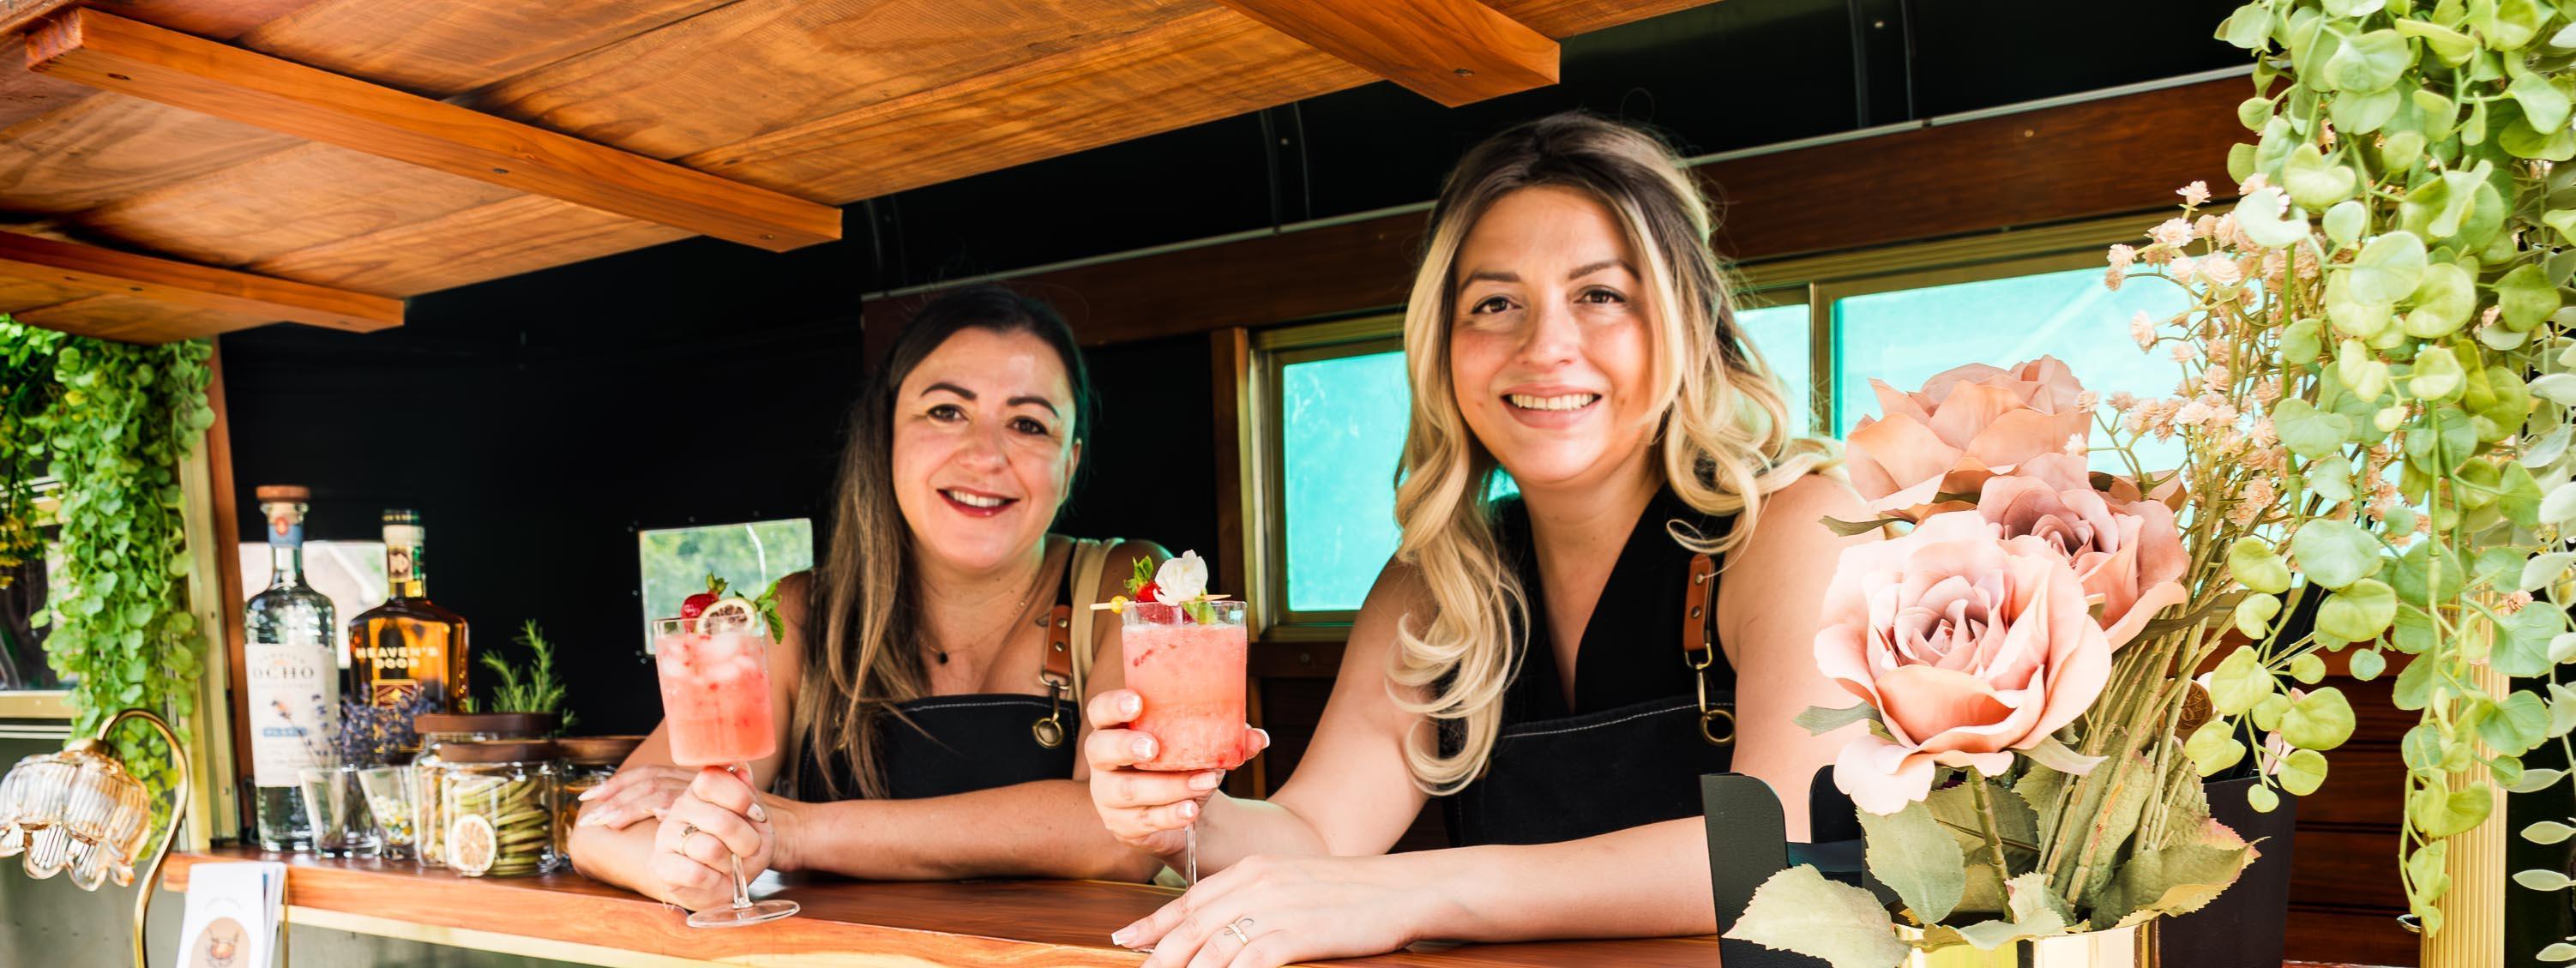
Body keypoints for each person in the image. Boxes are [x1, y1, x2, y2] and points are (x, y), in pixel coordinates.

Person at [1084, 113, 1873, 965]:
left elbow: (1771, 848)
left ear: (1686, 321)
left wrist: (1416, 891)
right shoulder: (1435, 582)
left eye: (1600, 295)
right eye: (1496, 303)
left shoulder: (1795, 530)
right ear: (1443, 345)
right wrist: (1181, 813)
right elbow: (1315, 833)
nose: (1545, 347)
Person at [572, 285, 1167, 910]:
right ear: (885, 434)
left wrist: (798, 831)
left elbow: (1129, 837)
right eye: (947, 411)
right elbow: (600, 830)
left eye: (1028, 424)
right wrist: (682, 868)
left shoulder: (1128, 588)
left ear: (1069, 465)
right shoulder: (802, 612)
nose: (986, 455)